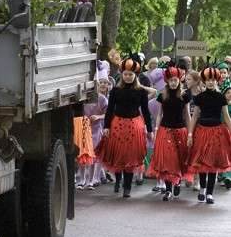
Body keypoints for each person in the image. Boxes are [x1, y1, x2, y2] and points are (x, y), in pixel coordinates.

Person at [94, 53, 154, 198]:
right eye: (125, 74)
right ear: (122, 74)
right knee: (118, 155)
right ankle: (118, 179)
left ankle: (127, 187)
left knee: (130, 157)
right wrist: (107, 126)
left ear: (135, 75)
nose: (128, 77)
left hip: (135, 126)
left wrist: (150, 130)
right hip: (117, 125)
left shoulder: (140, 92)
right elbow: (109, 110)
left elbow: (145, 111)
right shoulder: (116, 91)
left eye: (130, 74)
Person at [145, 63, 191, 201]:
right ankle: (168, 190)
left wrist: (189, 133)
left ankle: (177, 182)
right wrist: (157, 129)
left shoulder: (185, 96)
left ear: (179, 80)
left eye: (175, 80)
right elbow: (159, 114)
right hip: (165, 129)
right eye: (171, 80)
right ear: (167, 81)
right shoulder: (162, 96)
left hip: (180, 129)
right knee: (167, 160)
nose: (173, 83)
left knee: (179, 159)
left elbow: (187, 115)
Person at [186, 65, 231, 204]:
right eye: (208, 80)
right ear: (204, 81)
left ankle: (210, 193)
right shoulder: (199, 97)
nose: (211, 82)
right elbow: (194, 117)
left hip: (217, 132)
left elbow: (226, 116)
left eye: (213, 80)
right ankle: (203, 189)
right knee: (202, 162)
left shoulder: (221, 98)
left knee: (213, 164)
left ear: (217, 80)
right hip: (202, 130)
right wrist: (190, 134)